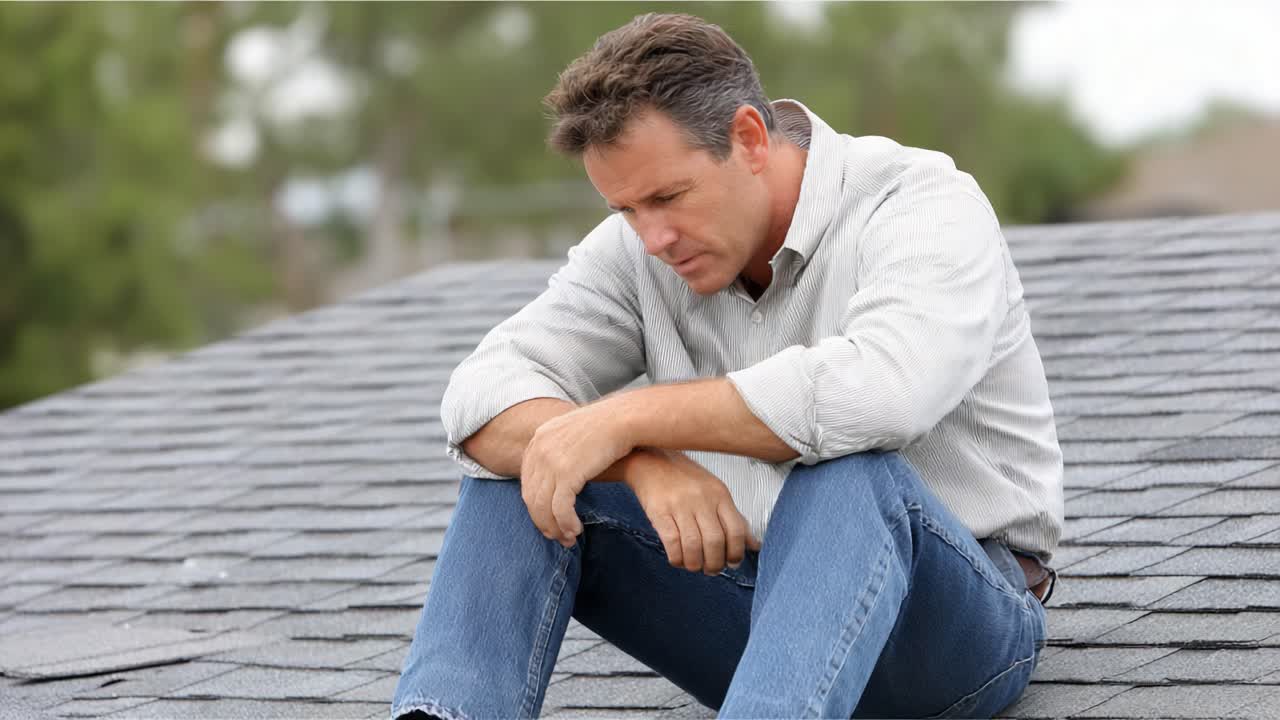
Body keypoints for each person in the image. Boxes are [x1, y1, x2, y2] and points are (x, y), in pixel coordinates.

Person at [391, 12, 1063, 720]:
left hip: (948, 627)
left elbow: (881, 393)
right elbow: (478, 395)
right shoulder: (636, 252)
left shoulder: (920, 203)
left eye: (667, 198)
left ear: (747, 138)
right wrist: (643, 463)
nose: (653, 238)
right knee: (533, 466)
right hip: (759, 619)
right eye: (624, 209)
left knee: (852, 474)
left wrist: (623, 418)